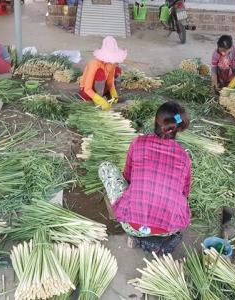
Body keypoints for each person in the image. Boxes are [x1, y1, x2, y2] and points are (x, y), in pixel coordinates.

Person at [98, 101, 191, 245]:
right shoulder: (184, 156)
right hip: (170, 228)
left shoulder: (139, 142)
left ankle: (137, 227)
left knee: (105, 167)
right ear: (178, 129)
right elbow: (185, 193)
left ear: (155, 121)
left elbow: (127, 177)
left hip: (134, 226)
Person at [79, 36, 127, 111]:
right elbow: (87, 89)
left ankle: (112, 97)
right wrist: (100, 101)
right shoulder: (94, 64)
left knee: (118, 70)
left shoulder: (112, 62)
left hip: (102, 86)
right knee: (100, 72)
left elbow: (110, 80)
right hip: (89, 92)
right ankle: (99, 100)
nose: (112, 62)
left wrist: (113, 92)